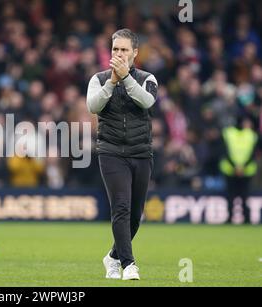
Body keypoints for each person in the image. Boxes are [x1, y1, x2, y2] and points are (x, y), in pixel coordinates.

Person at [86, 29, 158, 280]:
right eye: (115, 49)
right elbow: (93, 106)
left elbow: (147, 101)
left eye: (124, 50)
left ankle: (112, 257)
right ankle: (128, 264)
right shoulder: (99, 79)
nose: (118, 54)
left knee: (136, 216)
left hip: (141, 152)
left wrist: (126, 77)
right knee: (121, 208)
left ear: (135, 53)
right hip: (111, 151)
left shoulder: (148, 78)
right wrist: (112, 82)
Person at [219, 116, 259, 224]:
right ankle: (230, 218)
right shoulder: (228, 133)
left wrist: (242, 166)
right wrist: (236, 166)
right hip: (231, 170)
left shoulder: (252, 135)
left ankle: (246, 218)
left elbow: (253, 153)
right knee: (231, 195)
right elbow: (225, 151)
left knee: (244, 195)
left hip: (245, 171)